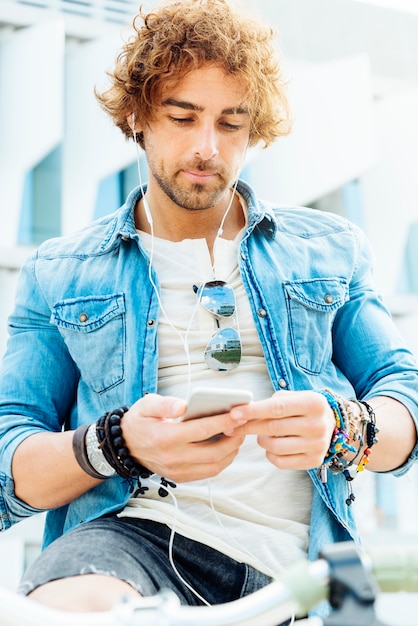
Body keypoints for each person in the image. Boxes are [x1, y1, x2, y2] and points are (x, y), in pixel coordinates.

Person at [0, 0, 417, 621]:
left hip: (308, 571)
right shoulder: (60, 271)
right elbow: (10, 469)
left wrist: (343, 428)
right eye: (182, 116)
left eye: (230, 122)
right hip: (130, 547)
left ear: (256, 129)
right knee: (74, 606)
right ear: (139, 117)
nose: (205, 147)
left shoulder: (330, 247)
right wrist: (118, 445)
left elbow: (404, 404)